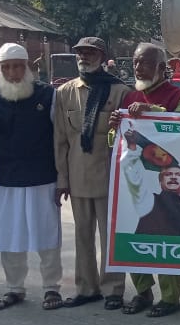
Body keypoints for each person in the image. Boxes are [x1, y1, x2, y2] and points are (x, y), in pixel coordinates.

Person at [108, 43, 180, 315]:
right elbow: (115, 142)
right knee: (134, 234)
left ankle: (170, 298)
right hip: (135, 179)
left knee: (166, 237)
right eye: (135, 62)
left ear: (161, 68)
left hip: (165, 181)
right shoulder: (129, 97)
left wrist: (152, 111)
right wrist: (115, 127)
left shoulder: (179, 96)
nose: (138, 68)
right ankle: (143, 292)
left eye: (144, 63)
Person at [0, 43, 64, 312]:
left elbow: (58, 134)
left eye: (18, 66)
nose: (13, 73)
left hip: (43, 176)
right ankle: (14, 288)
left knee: (47, 234)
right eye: (7, 68)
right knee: (10, 235)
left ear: (27, 66)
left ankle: (51, 287)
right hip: (8, 177)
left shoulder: (47, 94)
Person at [54, 36, 131, 309]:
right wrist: (62, 179)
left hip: (110, 174)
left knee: (110, 236)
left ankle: (113, 290)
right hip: (78, 174)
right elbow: (60, 139)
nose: (84, 57)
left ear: (102, 56)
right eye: (80, 53)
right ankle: (86, 288)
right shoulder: (65, 92)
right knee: (82, 235)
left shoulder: (119, 91)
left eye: (90, 52)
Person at [119, 128, 180, 317]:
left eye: (177, 175)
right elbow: (133, 174)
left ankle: (170, 300)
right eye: (168, 175)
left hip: (172, 251)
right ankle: (143, 293)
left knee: (170, 252)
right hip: (144, 245)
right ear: (160, 180)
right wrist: (133, 147)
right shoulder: (148, 199)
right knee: (133, 249)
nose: (173, 178)